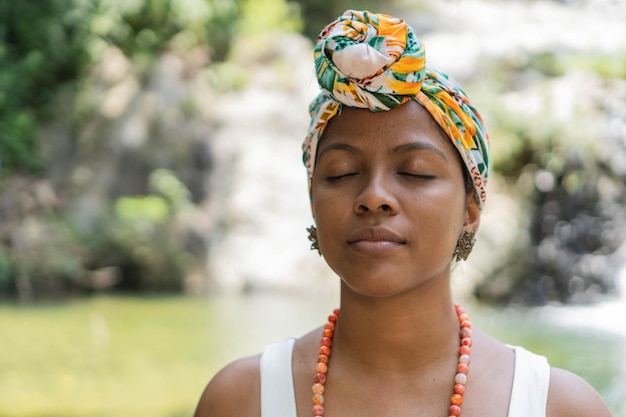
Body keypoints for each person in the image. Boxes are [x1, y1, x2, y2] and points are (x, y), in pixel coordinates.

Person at [193, 10, 613, 417]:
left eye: (414, 172)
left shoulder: (557, 406)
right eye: (343, 173)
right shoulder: (242, 400)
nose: (374, 196)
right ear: (313, 204)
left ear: (470, 209)